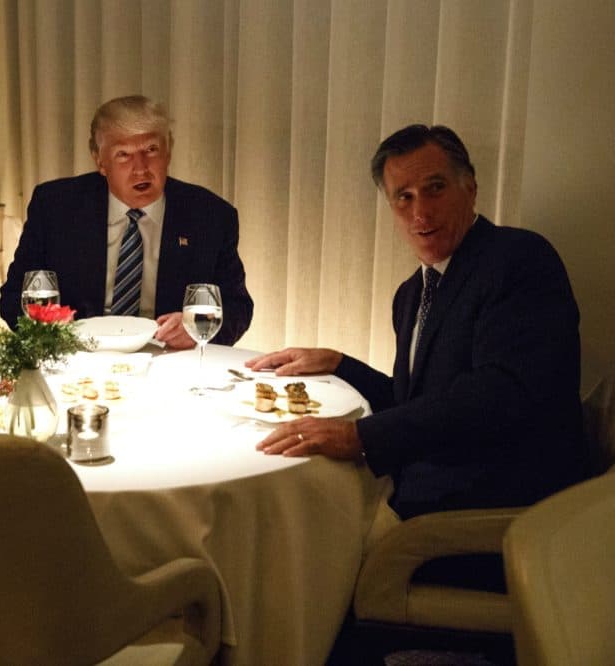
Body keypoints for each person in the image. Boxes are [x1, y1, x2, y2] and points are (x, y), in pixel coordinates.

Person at [246, 124, 587, 529]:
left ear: (471, 188)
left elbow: (499, 396)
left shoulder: (518, 259)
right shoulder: (411, 294)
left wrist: (361, 436)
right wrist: (339, 364)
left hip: (500, 518)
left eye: (435, 188)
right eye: (403, 197)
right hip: (435, 494)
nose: (420, 212)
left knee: (300, 524)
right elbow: (417, 402)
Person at [0, 95, 254, 348]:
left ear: (169, 151)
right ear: (100, 160)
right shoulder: (56, 207)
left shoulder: (210, 216)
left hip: (170, 360)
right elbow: (14, 298)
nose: (141, 168)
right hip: (79, 357)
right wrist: (50, 331)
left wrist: (194, 329)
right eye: (124, 155)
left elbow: (237, 308)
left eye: (151, 150)